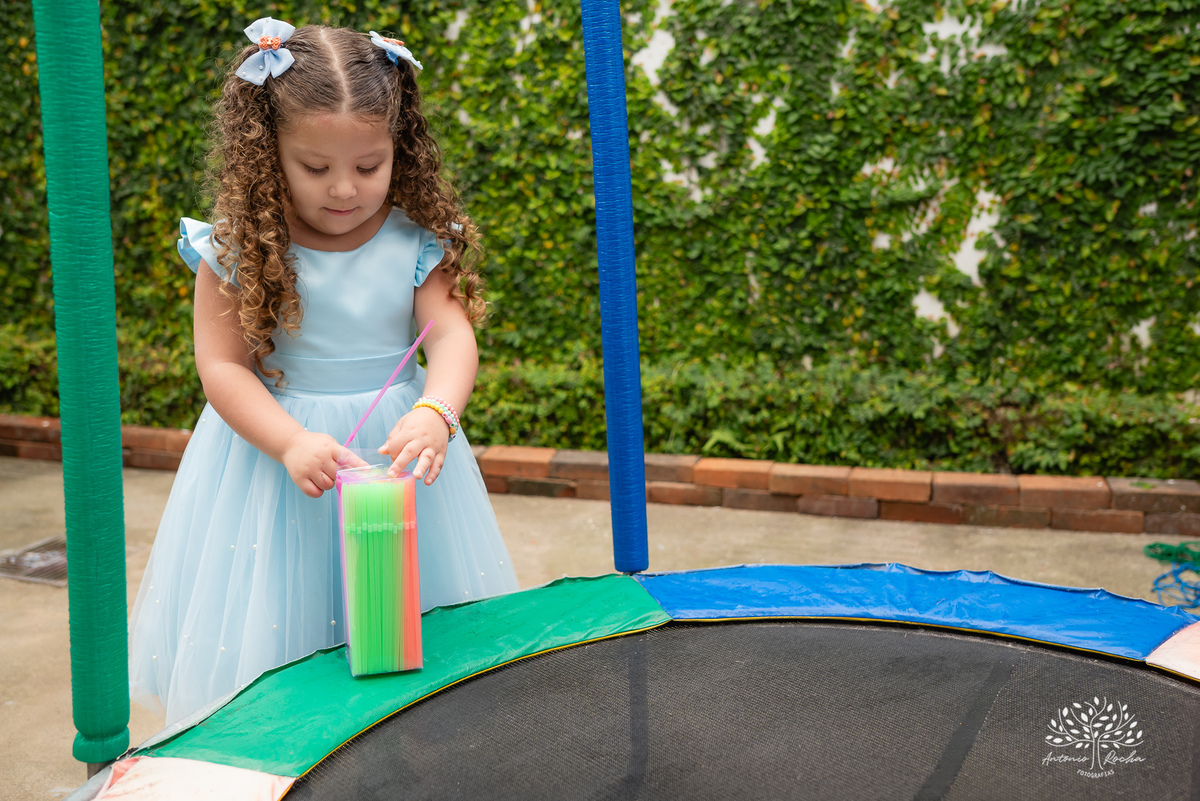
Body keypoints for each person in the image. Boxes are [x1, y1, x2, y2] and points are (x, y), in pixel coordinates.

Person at [128, 18, 518, 725]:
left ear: (398, 148)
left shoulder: (416, 239)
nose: (345, 188)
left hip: (397, 463)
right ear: (267, 152)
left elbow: (453, 336)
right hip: (278, 468)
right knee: (283, 641)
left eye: (369, 165)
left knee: (412, 655)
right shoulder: (238, 247)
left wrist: (437, 411)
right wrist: (286, 441)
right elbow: (220, 368)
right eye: (316, 167)